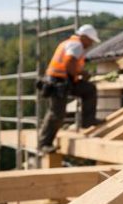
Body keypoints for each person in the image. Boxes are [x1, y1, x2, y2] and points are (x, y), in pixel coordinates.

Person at [38, 24, 101, 153]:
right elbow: (69, 64)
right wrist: (82, 74)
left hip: (64, 81)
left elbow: (70, 66)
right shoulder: (76, 45)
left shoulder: (71, 43)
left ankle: (88, 121)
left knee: (89, 89)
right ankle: (44, 143)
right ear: (84, 37)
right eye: (90, 40)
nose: (91, 44)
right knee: (57, 113)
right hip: (57, 83)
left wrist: (78, 76)